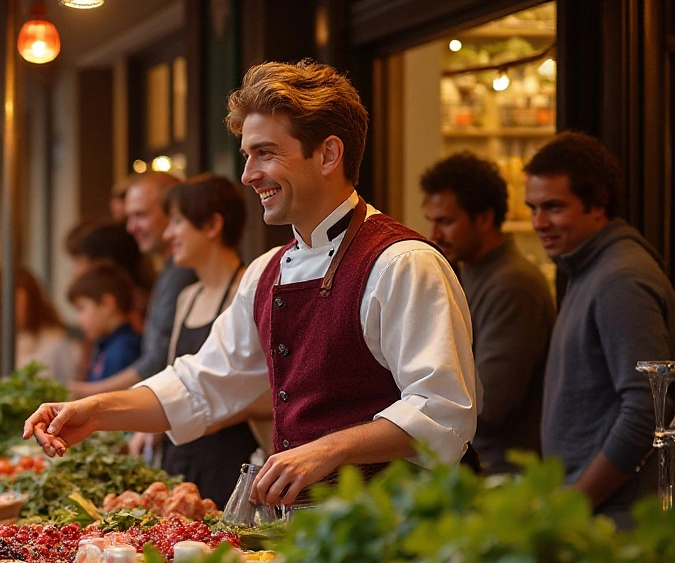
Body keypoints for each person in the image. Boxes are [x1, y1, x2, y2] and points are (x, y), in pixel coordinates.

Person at [25, 59, 478, 508]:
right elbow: (201, 384)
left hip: (403, 532)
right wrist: (95, 412)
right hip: (307, 530)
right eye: (247, 155)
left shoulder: (403, 263)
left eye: (266, 152)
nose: (248, 175)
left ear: (328, 154)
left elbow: (442, 409)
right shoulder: (267, 272)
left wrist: (328, 448)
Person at [527, 131, 675, 528]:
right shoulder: (589, 267)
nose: (539, 222)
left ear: (599, 204)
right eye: (533, 208)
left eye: (554, 207)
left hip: (617, 525)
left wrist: (571, 506)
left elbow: (647, 411)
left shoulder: (620, 278)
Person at [421, 152, 554, 474]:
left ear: (484, 218)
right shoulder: (467, 272)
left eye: (446, 222)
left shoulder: (513, 284)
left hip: (502, 476)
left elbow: (491, 403)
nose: (434, 234)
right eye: (432, 221)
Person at [152, 174, 260, 506]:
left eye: (178, 222)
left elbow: (269, 392)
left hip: (229, 461)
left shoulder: (249, 290)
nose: (168, 234)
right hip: (179, 458)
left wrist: (203, 415)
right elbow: (176, 378)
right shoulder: (188, 296)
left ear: (212, 225)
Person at [70, 172, 197, 398]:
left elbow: (160, 360)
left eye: (140, 215)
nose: (131, 228)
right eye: (129, 217)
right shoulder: (171, 271)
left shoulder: (182, 273)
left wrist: (87, 393)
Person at [68, 261, 143, 383]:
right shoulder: (105, 345)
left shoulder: (122, 350)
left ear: (107, 305)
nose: (78, 320)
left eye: (81, 308)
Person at [15, 267, 80, 385]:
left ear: (31, 302)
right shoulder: (5, 340)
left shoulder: (54, 341)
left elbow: (67, 384)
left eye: (18, 304)